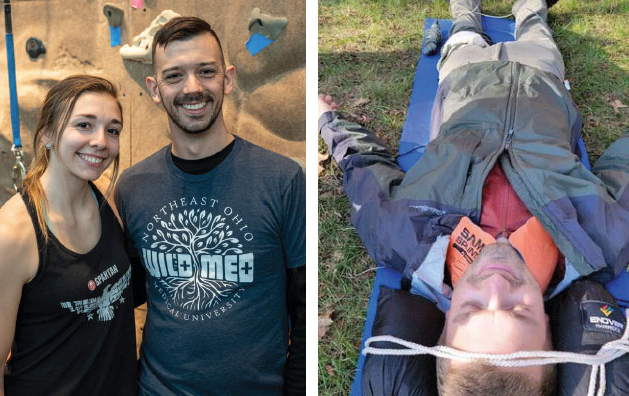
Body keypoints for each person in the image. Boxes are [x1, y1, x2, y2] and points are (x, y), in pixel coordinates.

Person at [319, 0, 629, 393]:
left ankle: (467, 13)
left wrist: (326, 120)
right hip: (541, 80)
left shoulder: (401, 233)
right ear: (549, 327)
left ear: (445, 323)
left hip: (464, 80)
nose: (496, 285)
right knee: (535, 22)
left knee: (464, 27)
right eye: (520, 310)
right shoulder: (601, 240)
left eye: (471, 309)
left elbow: (362, 166)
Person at [114, 16, 306, 395]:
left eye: (206, 71)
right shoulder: (133, 187)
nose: (192, 88)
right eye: (174, 76)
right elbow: (121, 296)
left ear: (228, 79)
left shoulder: (282, 179)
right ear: (154, 89)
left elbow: (302, 307)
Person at [0, 75, 137, 395]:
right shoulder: (12, 234)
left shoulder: (109, 201)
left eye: (112, 130)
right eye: (84, 125)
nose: (101, 141)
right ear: (47, 133)